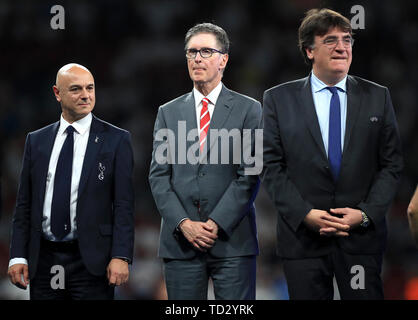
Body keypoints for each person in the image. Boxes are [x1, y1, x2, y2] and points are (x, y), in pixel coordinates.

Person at [262, 8, 403, 299]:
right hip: (303, 241)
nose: (342, 46)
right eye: (330, 40)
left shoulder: (378, 96)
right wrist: (304, 214)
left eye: (347, 39)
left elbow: (391, 166)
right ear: (309, 50)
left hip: (360, 240)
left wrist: (365, 215)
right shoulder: (278, 99)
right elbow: (271, 167)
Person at [149, 23, 261, 300]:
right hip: (180, 243)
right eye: (192, 52)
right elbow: (158, 176)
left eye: (206, 51)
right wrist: (183, 223)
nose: (197, 58)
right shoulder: (167, 112)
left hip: (233, 241)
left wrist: (216, 223)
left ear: (224, 59)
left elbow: (250, 172)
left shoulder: (250, 109)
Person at [8, 63, 135, 300]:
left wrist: (121, 255)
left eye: (90, 88)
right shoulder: (36, 141)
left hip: (91, 260)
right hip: (43, 259)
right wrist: (17, 255)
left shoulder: (116, 140)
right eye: (76, 89)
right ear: (57, 93)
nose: (86, 95)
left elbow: (124, 204)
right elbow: (24, 204)